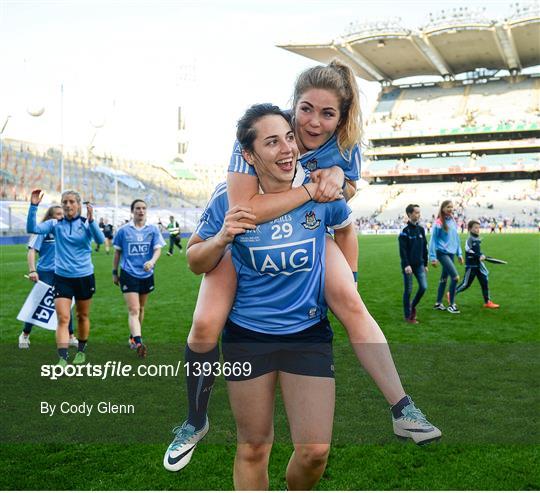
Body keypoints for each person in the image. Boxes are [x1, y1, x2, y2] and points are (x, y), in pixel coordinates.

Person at [164, 65, 440, 471]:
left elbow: (345, 205)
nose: (312, 123)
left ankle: (402, 407)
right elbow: (246, 211)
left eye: (327, 114)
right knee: (205, 325)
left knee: (349, 300)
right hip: (241, 238)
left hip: (308, 233)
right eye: (305, 110)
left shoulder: (346, 147)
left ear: (342, 118)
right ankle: (194, 419)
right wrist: (312, 187)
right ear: (293, 106)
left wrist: (350, 264)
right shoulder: (255, 139)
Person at [167, 105, 355, 488]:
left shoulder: (317, 189)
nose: (287, 148)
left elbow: (347, 225)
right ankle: (194, 419)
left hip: (307, 333)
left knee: (315, 451)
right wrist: (221, 238)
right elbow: (194, 260)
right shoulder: (228, 199)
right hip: (249, 335)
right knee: (253, 446)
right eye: (272, 142)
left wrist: (348, 280)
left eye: (289, 137)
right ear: (249, 156)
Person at [27, 190, 105, 365]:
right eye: (65, 202)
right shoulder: (55, 224)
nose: (68, 205)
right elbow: (32, 228)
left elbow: (100, 240)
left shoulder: (86, 224)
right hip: (62, 278)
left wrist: (92, 221)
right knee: (63, 318)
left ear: (78, 205)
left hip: (84, 277)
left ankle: (81, 351)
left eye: (71, 202)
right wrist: (33, 206)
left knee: (82, 316)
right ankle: (62, 357)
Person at [18, 205, 78, 349]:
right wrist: (32, 270)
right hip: (45, 272)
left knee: (66, 304)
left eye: (63, 214)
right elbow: (32, 251)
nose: (61, 216)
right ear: (50, 217)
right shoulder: (43, 230)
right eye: (58, 214)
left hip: (63, 273)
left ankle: (70, 336)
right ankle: (25, 335)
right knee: (38, 304)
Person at [112, 199, 166, 357]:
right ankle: (139, 341)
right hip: (128, 273)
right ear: (132, 211)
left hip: (147, 274)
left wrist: (152, 261)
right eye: (137, 208)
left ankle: (133, 336)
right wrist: (115, 273)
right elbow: (117, 253)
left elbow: (157, 250)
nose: (141, 211)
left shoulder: (153, 230)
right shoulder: (123, 231)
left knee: (141, 309)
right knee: (134, 309)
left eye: (143, 208)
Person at [429, 200, 464, 314]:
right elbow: (433, 241)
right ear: (443, 208)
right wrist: (433, 257)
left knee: (444, 279)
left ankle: (438, 303)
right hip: (442, 253)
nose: (451, 209)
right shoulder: (438, 223)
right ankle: (452, 304)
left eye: (452, 207)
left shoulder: (452, 220)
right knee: (455, 278)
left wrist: (459, 254)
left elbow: (456, 238)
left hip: (451, 253)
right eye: (448, 207)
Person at [455, 220, 499, 308]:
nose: (477, 229)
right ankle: (451, 293)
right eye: (475, 228)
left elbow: (478, 251)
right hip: (471, 265)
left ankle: (487, 302)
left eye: (478, 227)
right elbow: (468, 250)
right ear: (470, 229)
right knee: (466, 284)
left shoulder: (477, 238)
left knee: (484, 282)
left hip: (478, 265)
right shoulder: (470, 239)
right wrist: (478, 255)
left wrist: (481, 255)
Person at [398, 204, 428, 324]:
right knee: (408, 290)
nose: (418, 214)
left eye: (419, 212)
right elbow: (403, 250)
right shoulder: (405, 232)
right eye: (416, 212)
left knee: (423, 287)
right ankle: (408, 315)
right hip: (409, 266)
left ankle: (412, 305)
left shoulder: (421, 229)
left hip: (420, 264)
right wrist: (406, 265)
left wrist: (425, 264)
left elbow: (424, 248)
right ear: (409, 214)